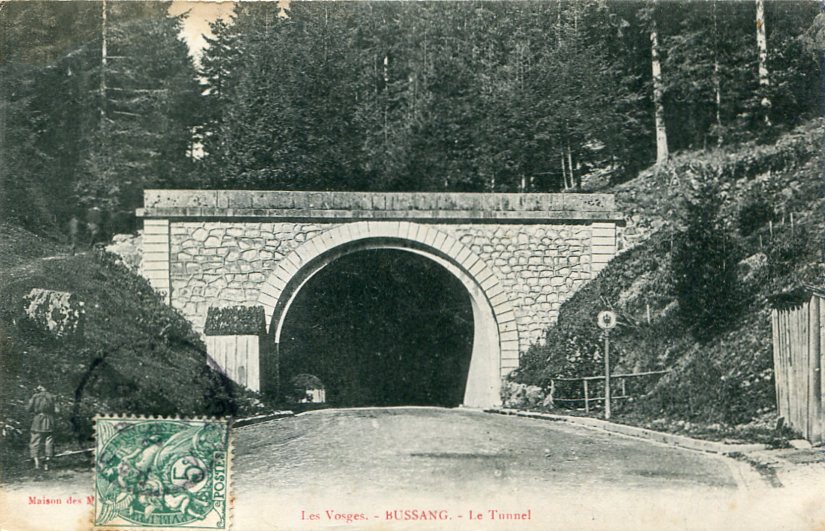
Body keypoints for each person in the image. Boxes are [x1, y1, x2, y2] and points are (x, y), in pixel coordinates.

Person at [27, 385, 57, 470]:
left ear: (39, 387)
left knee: (35, 441)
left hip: (37, 420)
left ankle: (36, 463)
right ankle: (46, 464)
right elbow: (57, 410)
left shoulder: (35, 396)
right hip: (50, 420)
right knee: (49, 441)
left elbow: (29, 409)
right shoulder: (52, 396)